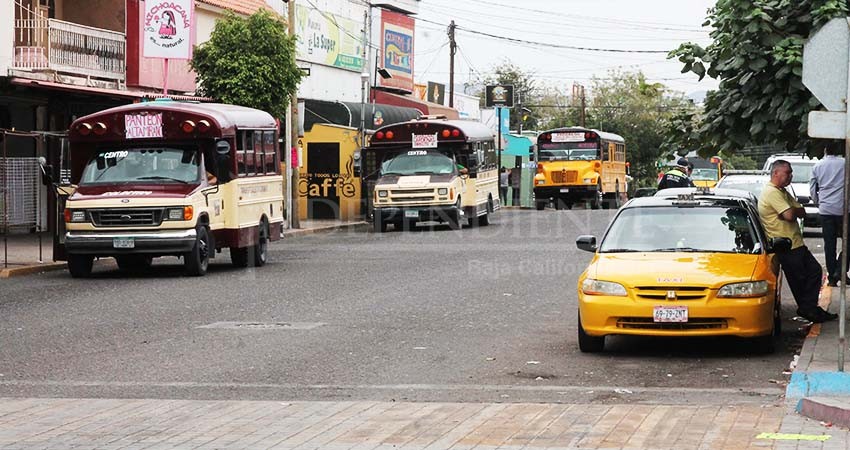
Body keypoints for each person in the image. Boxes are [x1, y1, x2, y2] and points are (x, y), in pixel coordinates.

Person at [759, 160, 837, 323]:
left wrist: (791, 211)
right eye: (787, 172)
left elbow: (801, 212)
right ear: (776, 173)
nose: (790, 176)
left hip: (796, 243)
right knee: (801, 278)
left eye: (791, 172)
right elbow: (790, 215)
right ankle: (808, 309)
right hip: (786, 245)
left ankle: (809, 308)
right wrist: (790, 212)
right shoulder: (772, 192)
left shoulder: (783, 192)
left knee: (814, 272)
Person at [810, 142, 847, 286]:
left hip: (826, 210)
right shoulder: (845, 164)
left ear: (825, 150)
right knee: (847, 242)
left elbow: (813, 188)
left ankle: (832, 276)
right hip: (844, 209)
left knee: (829, 244)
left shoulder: (818, 166)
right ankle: (840, 269)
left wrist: (818, 202)